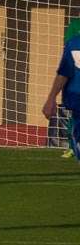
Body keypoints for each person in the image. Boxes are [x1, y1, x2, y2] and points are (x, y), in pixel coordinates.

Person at [41, 26, 80, 158]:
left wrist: (51, 99)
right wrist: (51, 99)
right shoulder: (74, 44)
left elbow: (64, 74)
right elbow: (64, 73)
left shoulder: (74, 44)